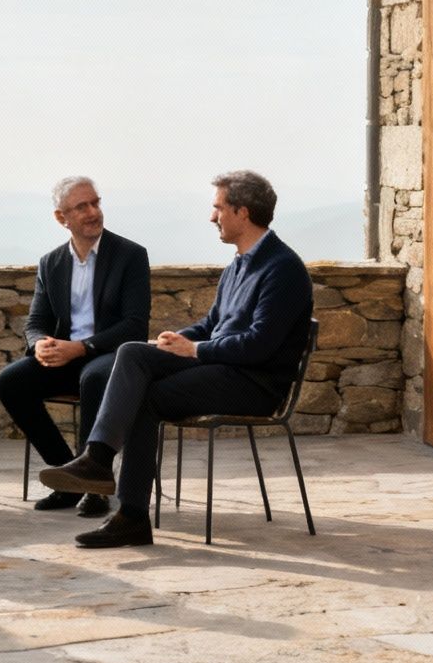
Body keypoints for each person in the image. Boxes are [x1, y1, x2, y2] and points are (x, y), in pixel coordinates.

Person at [39, 170, 312, 548]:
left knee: (139, 376)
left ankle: (112, 483)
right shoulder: (239, 264)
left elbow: (259, 345)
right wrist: (177, 339)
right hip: (224, 369)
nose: (212, 216)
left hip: (254, 383)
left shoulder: (282, 268)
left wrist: (195, 349)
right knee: (137, 363)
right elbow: (213, 324)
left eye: (218, 208)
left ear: (242, 213)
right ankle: (115, 490)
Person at [0, 176, 151, 518]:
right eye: (82, 206)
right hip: (66, 357)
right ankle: (67, 476)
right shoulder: (50, 263)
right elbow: (36, 322)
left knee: (93, 378)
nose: (93, 212)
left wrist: (81, 347)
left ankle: (94, 483)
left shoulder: (130, 255)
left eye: (96, 203)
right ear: (61, 217)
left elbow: (134, 325)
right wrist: (40, 344)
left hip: (111, 357)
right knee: (10, 382)